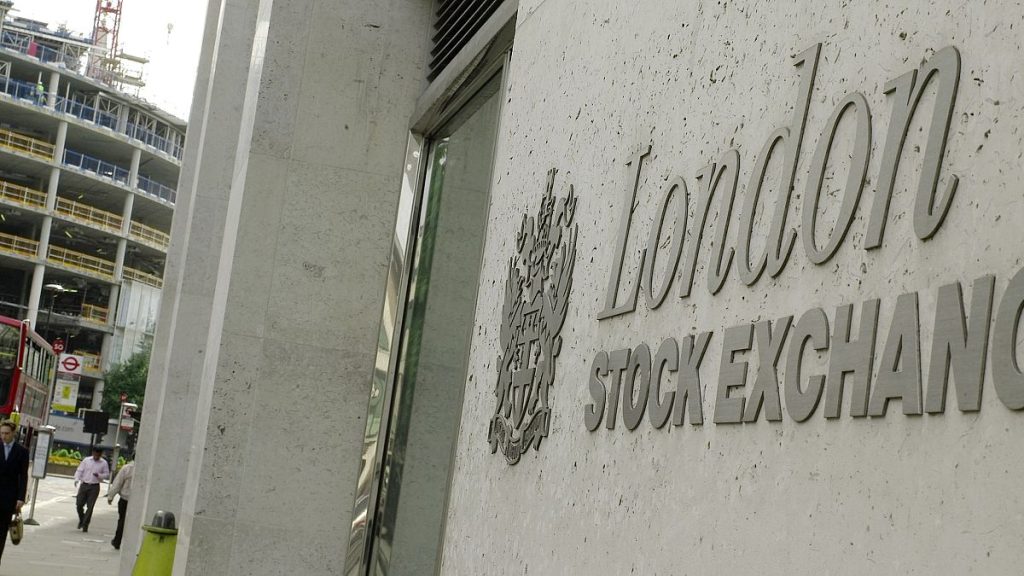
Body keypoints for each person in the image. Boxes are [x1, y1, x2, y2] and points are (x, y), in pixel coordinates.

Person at [0, 420, 27, 565]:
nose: (3, 436)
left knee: (2, 533)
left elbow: (23, 476)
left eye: (6, 433)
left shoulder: (21, 451)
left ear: (13, 434)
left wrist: (20, 498)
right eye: (2, 433)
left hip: (8, 500)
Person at [74, 446, 109, 532]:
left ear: (101, 454)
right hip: (84, 484)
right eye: (95, 454)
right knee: (79, 504)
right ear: (93, 453)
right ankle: (82, 519)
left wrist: (99, 475)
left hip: (94, 486)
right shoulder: (86, 460)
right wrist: (76, 479)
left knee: (90, 506)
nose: (96, 456)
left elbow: (107, 474)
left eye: (98, 454)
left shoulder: (103, 463)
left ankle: (85, 525)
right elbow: (80, 470)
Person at [106, 460, 134, 550]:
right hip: (137, 502)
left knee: (122, 521)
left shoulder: (127, 468)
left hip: (125, 499)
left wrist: (111, 496)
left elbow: (117, 483)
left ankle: (117, 541)